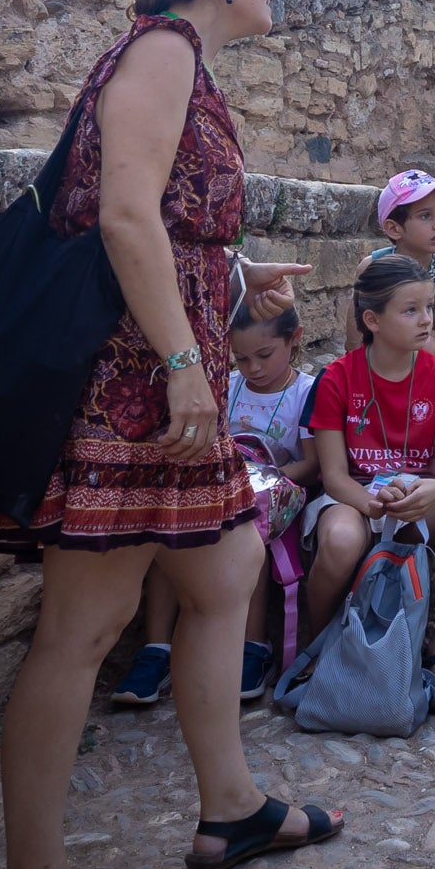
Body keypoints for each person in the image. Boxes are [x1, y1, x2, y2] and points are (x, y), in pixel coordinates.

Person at [0, 0, 335, 869]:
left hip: (166, 378)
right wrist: (186, 363)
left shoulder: (184, 62)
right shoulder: (163, 50)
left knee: (224, 572)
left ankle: (228, 804)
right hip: (135, 389)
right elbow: (125, 216)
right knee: (81, 628)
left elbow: (166, 231)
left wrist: (233, 277)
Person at [110, 295, 319, 708]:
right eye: (241, 358)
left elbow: (313, 464)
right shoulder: (226, 384)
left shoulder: (307, 392)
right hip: (219, 486)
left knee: (246, 528)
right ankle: (156, 649)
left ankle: (253, 645)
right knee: (170, 527)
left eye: (264, 355)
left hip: (272, 496)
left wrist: (261, 484)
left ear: (294, 339)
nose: (252, 368)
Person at [302, 251, 435, 662]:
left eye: (429, 307)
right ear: (372, 320)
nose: (427, 319)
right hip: (354, 500)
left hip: (416, 500)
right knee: (340, 541)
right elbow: (334, 475)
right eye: (410, 310)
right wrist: (372, 505)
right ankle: (315, 646)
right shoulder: (337, 377)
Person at [372, 169, 435, 360]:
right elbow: (355, 339)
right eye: (425, 216)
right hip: (379, 360)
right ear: (394, 228)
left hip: (428, 360)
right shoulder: (373, 268)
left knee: (428, 347)